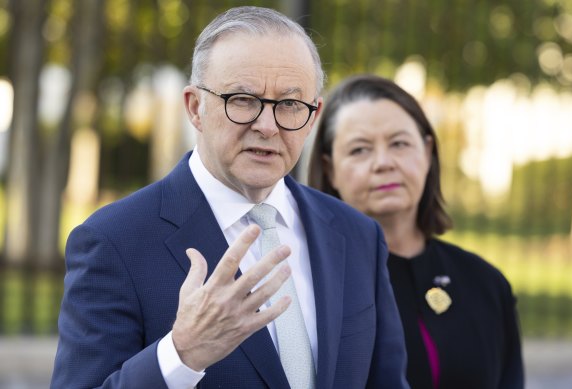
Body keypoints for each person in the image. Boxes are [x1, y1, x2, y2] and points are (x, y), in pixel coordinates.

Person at [51, 8, 409, 389]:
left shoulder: (357, 236)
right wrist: (182, 354)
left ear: (313, 115)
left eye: (289, 105)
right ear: (195, 107)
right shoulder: (114, 241)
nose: (267, 126)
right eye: (242, 99)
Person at [308, 74, 524, 389]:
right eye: (359, 150)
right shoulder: (310, 282)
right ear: (330, 169)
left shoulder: (486, 283)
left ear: (427, 152)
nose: (383, 163)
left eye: (399, 143)